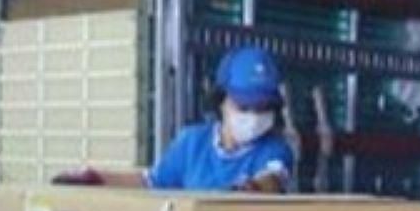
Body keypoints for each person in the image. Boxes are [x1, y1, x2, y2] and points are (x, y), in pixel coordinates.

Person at [54, 46, 294, 193]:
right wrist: (98, 178)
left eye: (263, 108)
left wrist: (251, 189)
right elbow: (151, 182)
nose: (253, 117)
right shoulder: (192, 143)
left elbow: (272, 179)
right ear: (220, 101)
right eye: (244, 106)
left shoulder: (274, 150)